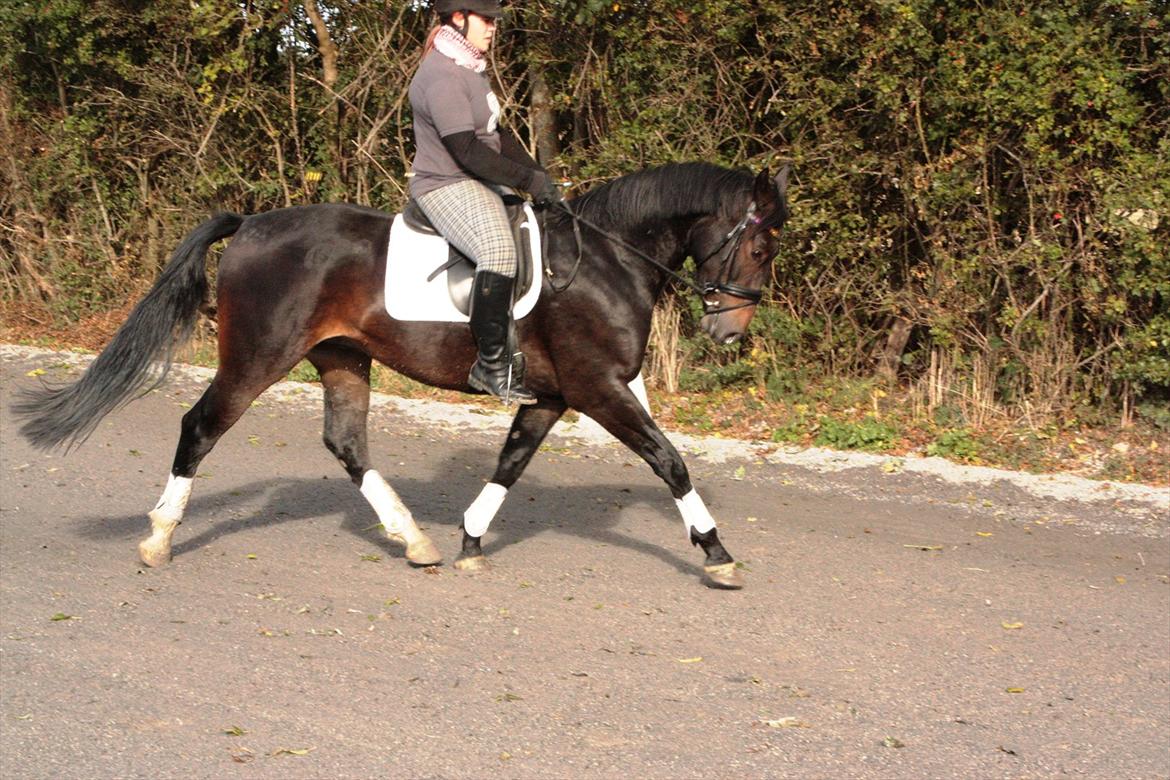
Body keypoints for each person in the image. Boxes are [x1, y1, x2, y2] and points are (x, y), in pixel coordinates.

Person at [408, 0, 561, 404]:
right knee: (498, 252)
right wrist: (526, 179)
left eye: (494, 21)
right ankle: (490, 366)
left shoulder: (470, 68)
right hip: (445, 184)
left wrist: (539, 177)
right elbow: (466, 150)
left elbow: (497, 135)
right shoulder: (442, 74)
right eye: (486, 20)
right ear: (458, 18)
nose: (493, 28)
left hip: (473, 179)